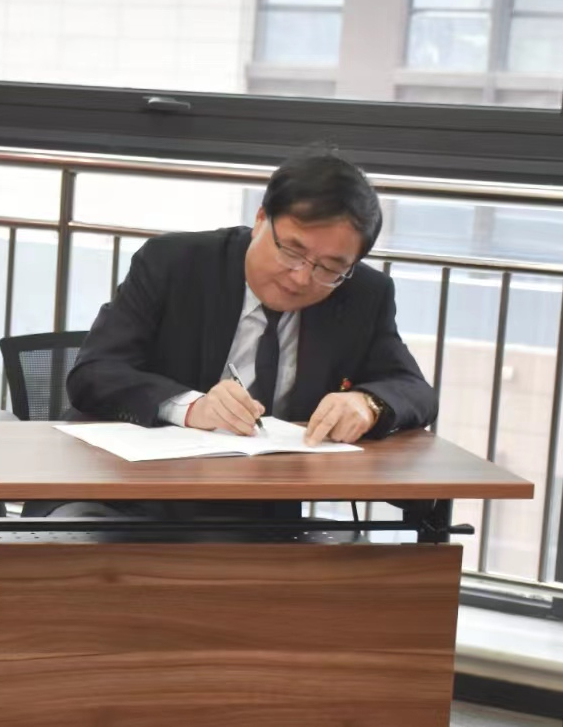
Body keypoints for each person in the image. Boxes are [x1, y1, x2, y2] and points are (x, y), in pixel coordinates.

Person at [27, 149, 438, 520]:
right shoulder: (175, 264)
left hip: (250, 511)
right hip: (119, 492)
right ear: (260, 220)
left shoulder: (363, 295)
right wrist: (191, 407)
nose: (301, 277)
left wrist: (369, 404)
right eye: (291, 251)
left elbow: (413, 389)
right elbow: (94, 372)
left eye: (330, 268)